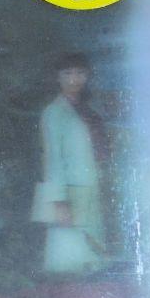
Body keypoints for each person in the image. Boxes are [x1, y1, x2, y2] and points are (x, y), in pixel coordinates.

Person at [30, 52, 109, 275]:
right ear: (58, 77)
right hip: (68, 194)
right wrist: (58, 201)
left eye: (80, 73)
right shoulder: (53, 112)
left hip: (91, 189)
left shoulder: (88, 110)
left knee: (93, 258)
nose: (74, 79)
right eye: (68, 73)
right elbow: (52, 158)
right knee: (70, 258)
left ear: (88, 75)